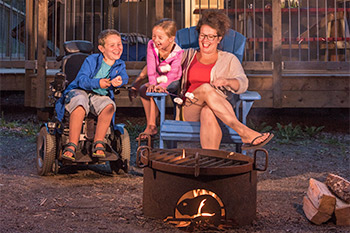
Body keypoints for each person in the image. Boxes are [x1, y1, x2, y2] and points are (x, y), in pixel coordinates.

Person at [176, 9, 273, 150]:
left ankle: (210, 163)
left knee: (208, 111)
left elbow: (242, 83)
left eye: (211, 36)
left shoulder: (229, 59)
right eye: (202, 35)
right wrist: (151, 81)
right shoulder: (187, 55)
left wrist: (227, 81)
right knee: (205, 88)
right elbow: (162, 64)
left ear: (219, 38)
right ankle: (243, 131)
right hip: (191, 107)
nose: (205, 40)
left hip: (219, 111)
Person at [55, 29, 129, 161]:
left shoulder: (120, 64)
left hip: (98, 96)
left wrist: (120, 81)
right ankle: (72, 145)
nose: (117, 48)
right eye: (112, 45)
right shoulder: (91, 60)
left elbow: (124, 77)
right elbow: (81, 80)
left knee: (109, 106)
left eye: (119, 44)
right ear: (102, 48)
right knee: (79, 103)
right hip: (79, 90)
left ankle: (99, 143)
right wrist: (98, 83)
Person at [130, 18, 183, 138]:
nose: (155, 40)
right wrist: (153, 83)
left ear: (171, 39)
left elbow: (174, 74)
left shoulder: (177, 53)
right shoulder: (151, 45)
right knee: (144, 89)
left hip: (173, 80)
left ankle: (152, 126)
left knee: (153, 91)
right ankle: (151, 124)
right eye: (154, 36)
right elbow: (151, 66)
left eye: (160, 37)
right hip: (159, 77)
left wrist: (161, 86)